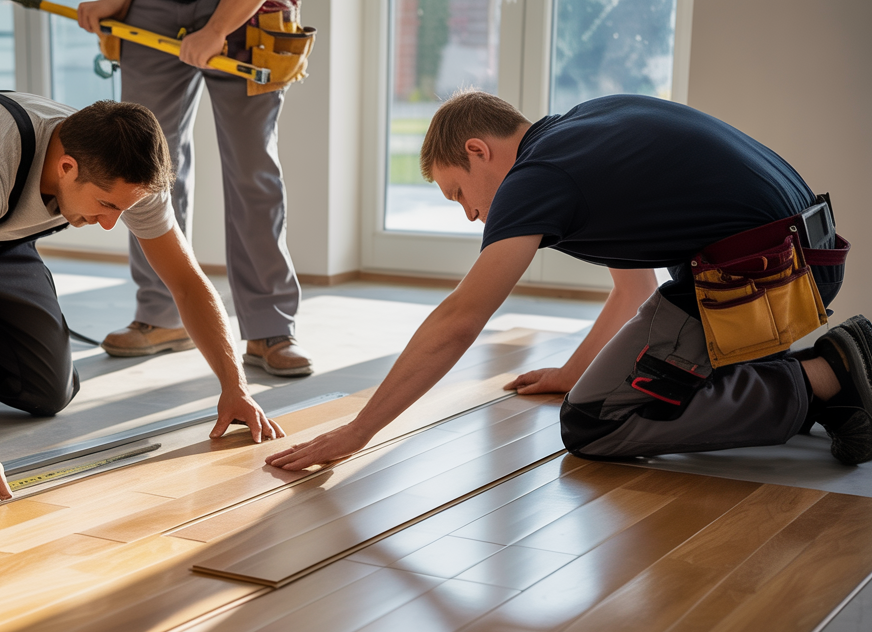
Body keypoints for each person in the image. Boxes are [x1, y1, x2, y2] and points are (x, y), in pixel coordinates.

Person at [268, 90, 869, 472]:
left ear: (478, 150)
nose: (471, 213)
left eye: (458, 193)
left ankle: (828, 376)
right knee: (613, 387)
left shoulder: (536, 178)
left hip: (766, 275)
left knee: (595, 422)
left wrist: (357, 432)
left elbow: (459, 322)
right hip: (798, 260)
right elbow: (632, 291)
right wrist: (569, 372)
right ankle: (829, 376)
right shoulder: (583, 130)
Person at [0, 93, 283, 502]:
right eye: (106, 207)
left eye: (122, 209)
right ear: (66, 167)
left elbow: (186, 281)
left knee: (49, 392)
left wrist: (234, 387)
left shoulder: (127, 172)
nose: (111, 224)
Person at [76, 0, 314, 377]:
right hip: (150, 9)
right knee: (143, 167)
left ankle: (271, 328)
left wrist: (218, 28)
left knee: (252, 172)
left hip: (247, 15)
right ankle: (161, 313)